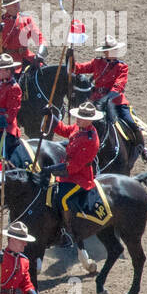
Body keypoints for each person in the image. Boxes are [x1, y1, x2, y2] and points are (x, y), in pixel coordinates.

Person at [73, 37, 147, 162]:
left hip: (116, 102)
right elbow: (79, 68)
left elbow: (119, 85)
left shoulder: (122, 67)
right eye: (109, 50)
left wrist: (107, 98)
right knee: (82, 121)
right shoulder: (97, 63)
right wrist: (70, 60)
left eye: (113, 50)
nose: (111, 52)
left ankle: (142, 149)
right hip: (95, 101)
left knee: (132, 123)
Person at [45, 101, 103, 245]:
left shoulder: (91, 139)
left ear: (90, 120)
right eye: (78, 116)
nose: (78, 119)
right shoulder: (78, 128)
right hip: (68, 171)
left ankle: (67, 230)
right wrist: (51, 117)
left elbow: (74, 167)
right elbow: (64, 130)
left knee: (62, 198)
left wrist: (53, 169)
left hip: (80, 177)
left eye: (82, 117)